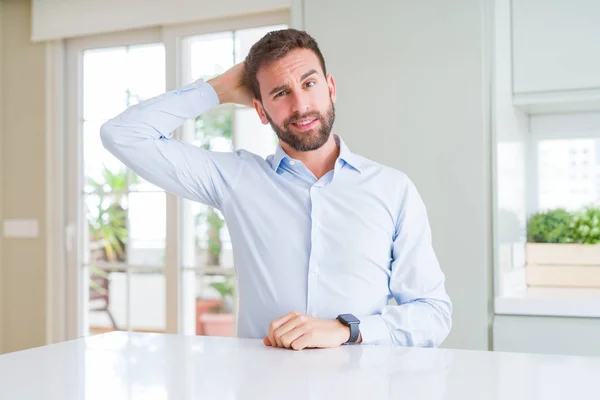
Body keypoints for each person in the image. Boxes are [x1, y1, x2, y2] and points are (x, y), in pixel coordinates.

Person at [101, 28, 452, 350]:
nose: (300, 106)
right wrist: (217, 90)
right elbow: (123, 135)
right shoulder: (235, 179)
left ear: (330, 87)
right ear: (261, 110)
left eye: (309, 84)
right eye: (280, 93)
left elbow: (433, 315)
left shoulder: (392, 189)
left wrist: (347, 330)